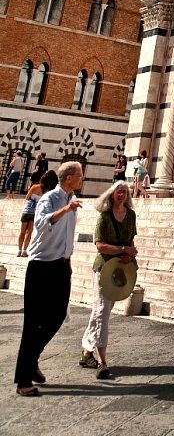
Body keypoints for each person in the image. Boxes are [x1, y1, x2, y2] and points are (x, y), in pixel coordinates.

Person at [14, 160, 84, 397]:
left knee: (58, 316)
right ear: (68, 178)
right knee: (32, 323)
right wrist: (66, 210)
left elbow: (67, 236)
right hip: (41, 267)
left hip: (62, 267)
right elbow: (43, 224)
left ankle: (32, 357)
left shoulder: (72, 199)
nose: (82, 179)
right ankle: (23, 381)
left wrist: (69, 261)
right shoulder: (50, 199)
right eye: (80, 175)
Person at [80, 180, 138, 380]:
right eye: (118, 192)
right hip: (104, 268)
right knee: (102, 311)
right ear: (111, 195)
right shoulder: (104, 217)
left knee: (101, 310)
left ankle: (87, 350)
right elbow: (100, 245)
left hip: (122, 269)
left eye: (124, 192)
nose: (121, 195)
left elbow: (130, 240)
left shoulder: (131, 216)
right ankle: (101, 361)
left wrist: (129, 254)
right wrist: (122, 250)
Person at [18, 170, 44, 256]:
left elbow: (27, 197)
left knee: (22, 232)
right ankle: (24, 251)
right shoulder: (45, 191)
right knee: (29, 232)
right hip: (35, 213)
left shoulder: (34, 187)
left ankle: (19, 250)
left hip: (27, 210)